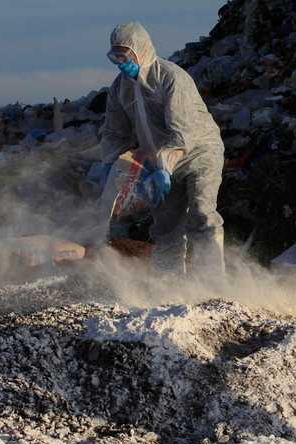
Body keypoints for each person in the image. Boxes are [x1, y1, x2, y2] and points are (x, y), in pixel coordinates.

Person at [99, 22, 226, 278]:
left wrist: (165, 166)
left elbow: (182, 130)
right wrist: (108, 166)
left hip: (199, 153)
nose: (120, 62)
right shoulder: (119, 87)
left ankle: (213, 286)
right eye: (115, 56)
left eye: (124, 55)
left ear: (141, 50)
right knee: (166, 227)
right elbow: (115, 132)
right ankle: (167, 289)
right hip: (160, 163)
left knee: (201, 214)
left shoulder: (170, 77)